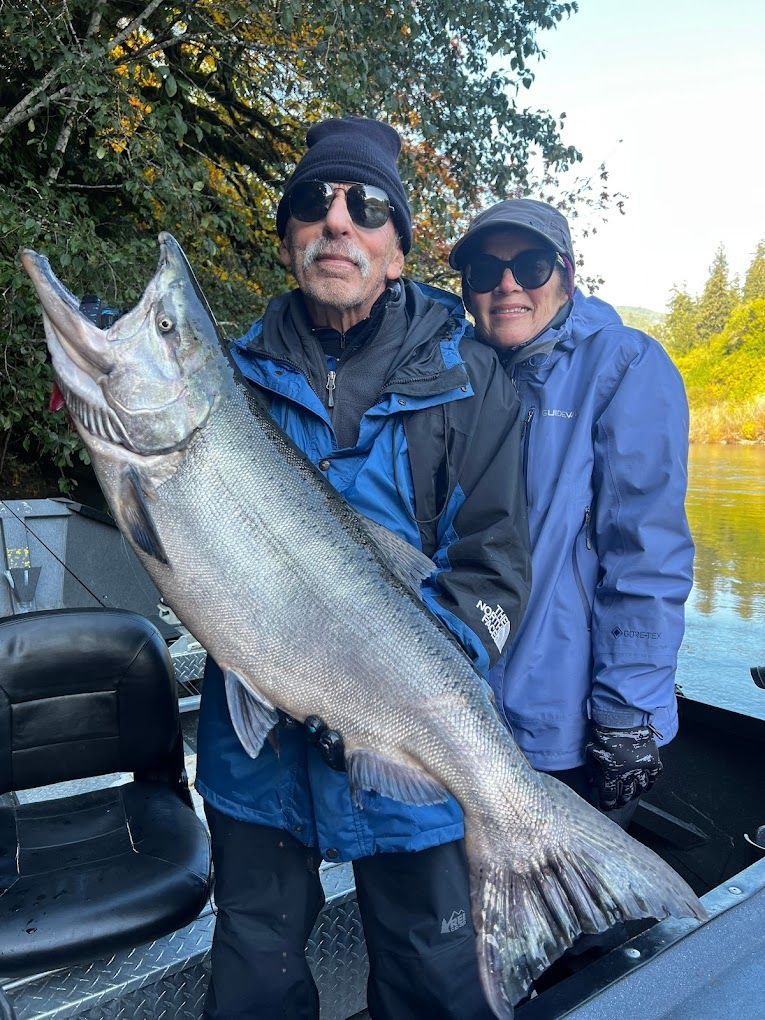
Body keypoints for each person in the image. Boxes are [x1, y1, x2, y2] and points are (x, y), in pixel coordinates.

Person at [195, 118, 531, 1019]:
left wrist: (397, 686)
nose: (337, 220)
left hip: (410, 736)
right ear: (288, 238)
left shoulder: (472, 381)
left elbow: (493, 572)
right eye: (313, 200)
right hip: (255, 750)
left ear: (396, 251)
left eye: (367, 206)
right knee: (251, 978)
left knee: (434, 981)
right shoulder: (222, 382)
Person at [449, 197, 694, 825]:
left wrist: (628, 710)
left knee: (574, 915)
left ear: (567, 273)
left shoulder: (625, 365)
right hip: (457, 715)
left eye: (530, 265)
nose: (507, 285)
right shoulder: (448, 370)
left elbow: (646, 554)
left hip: (571, 723)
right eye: (484, 271)